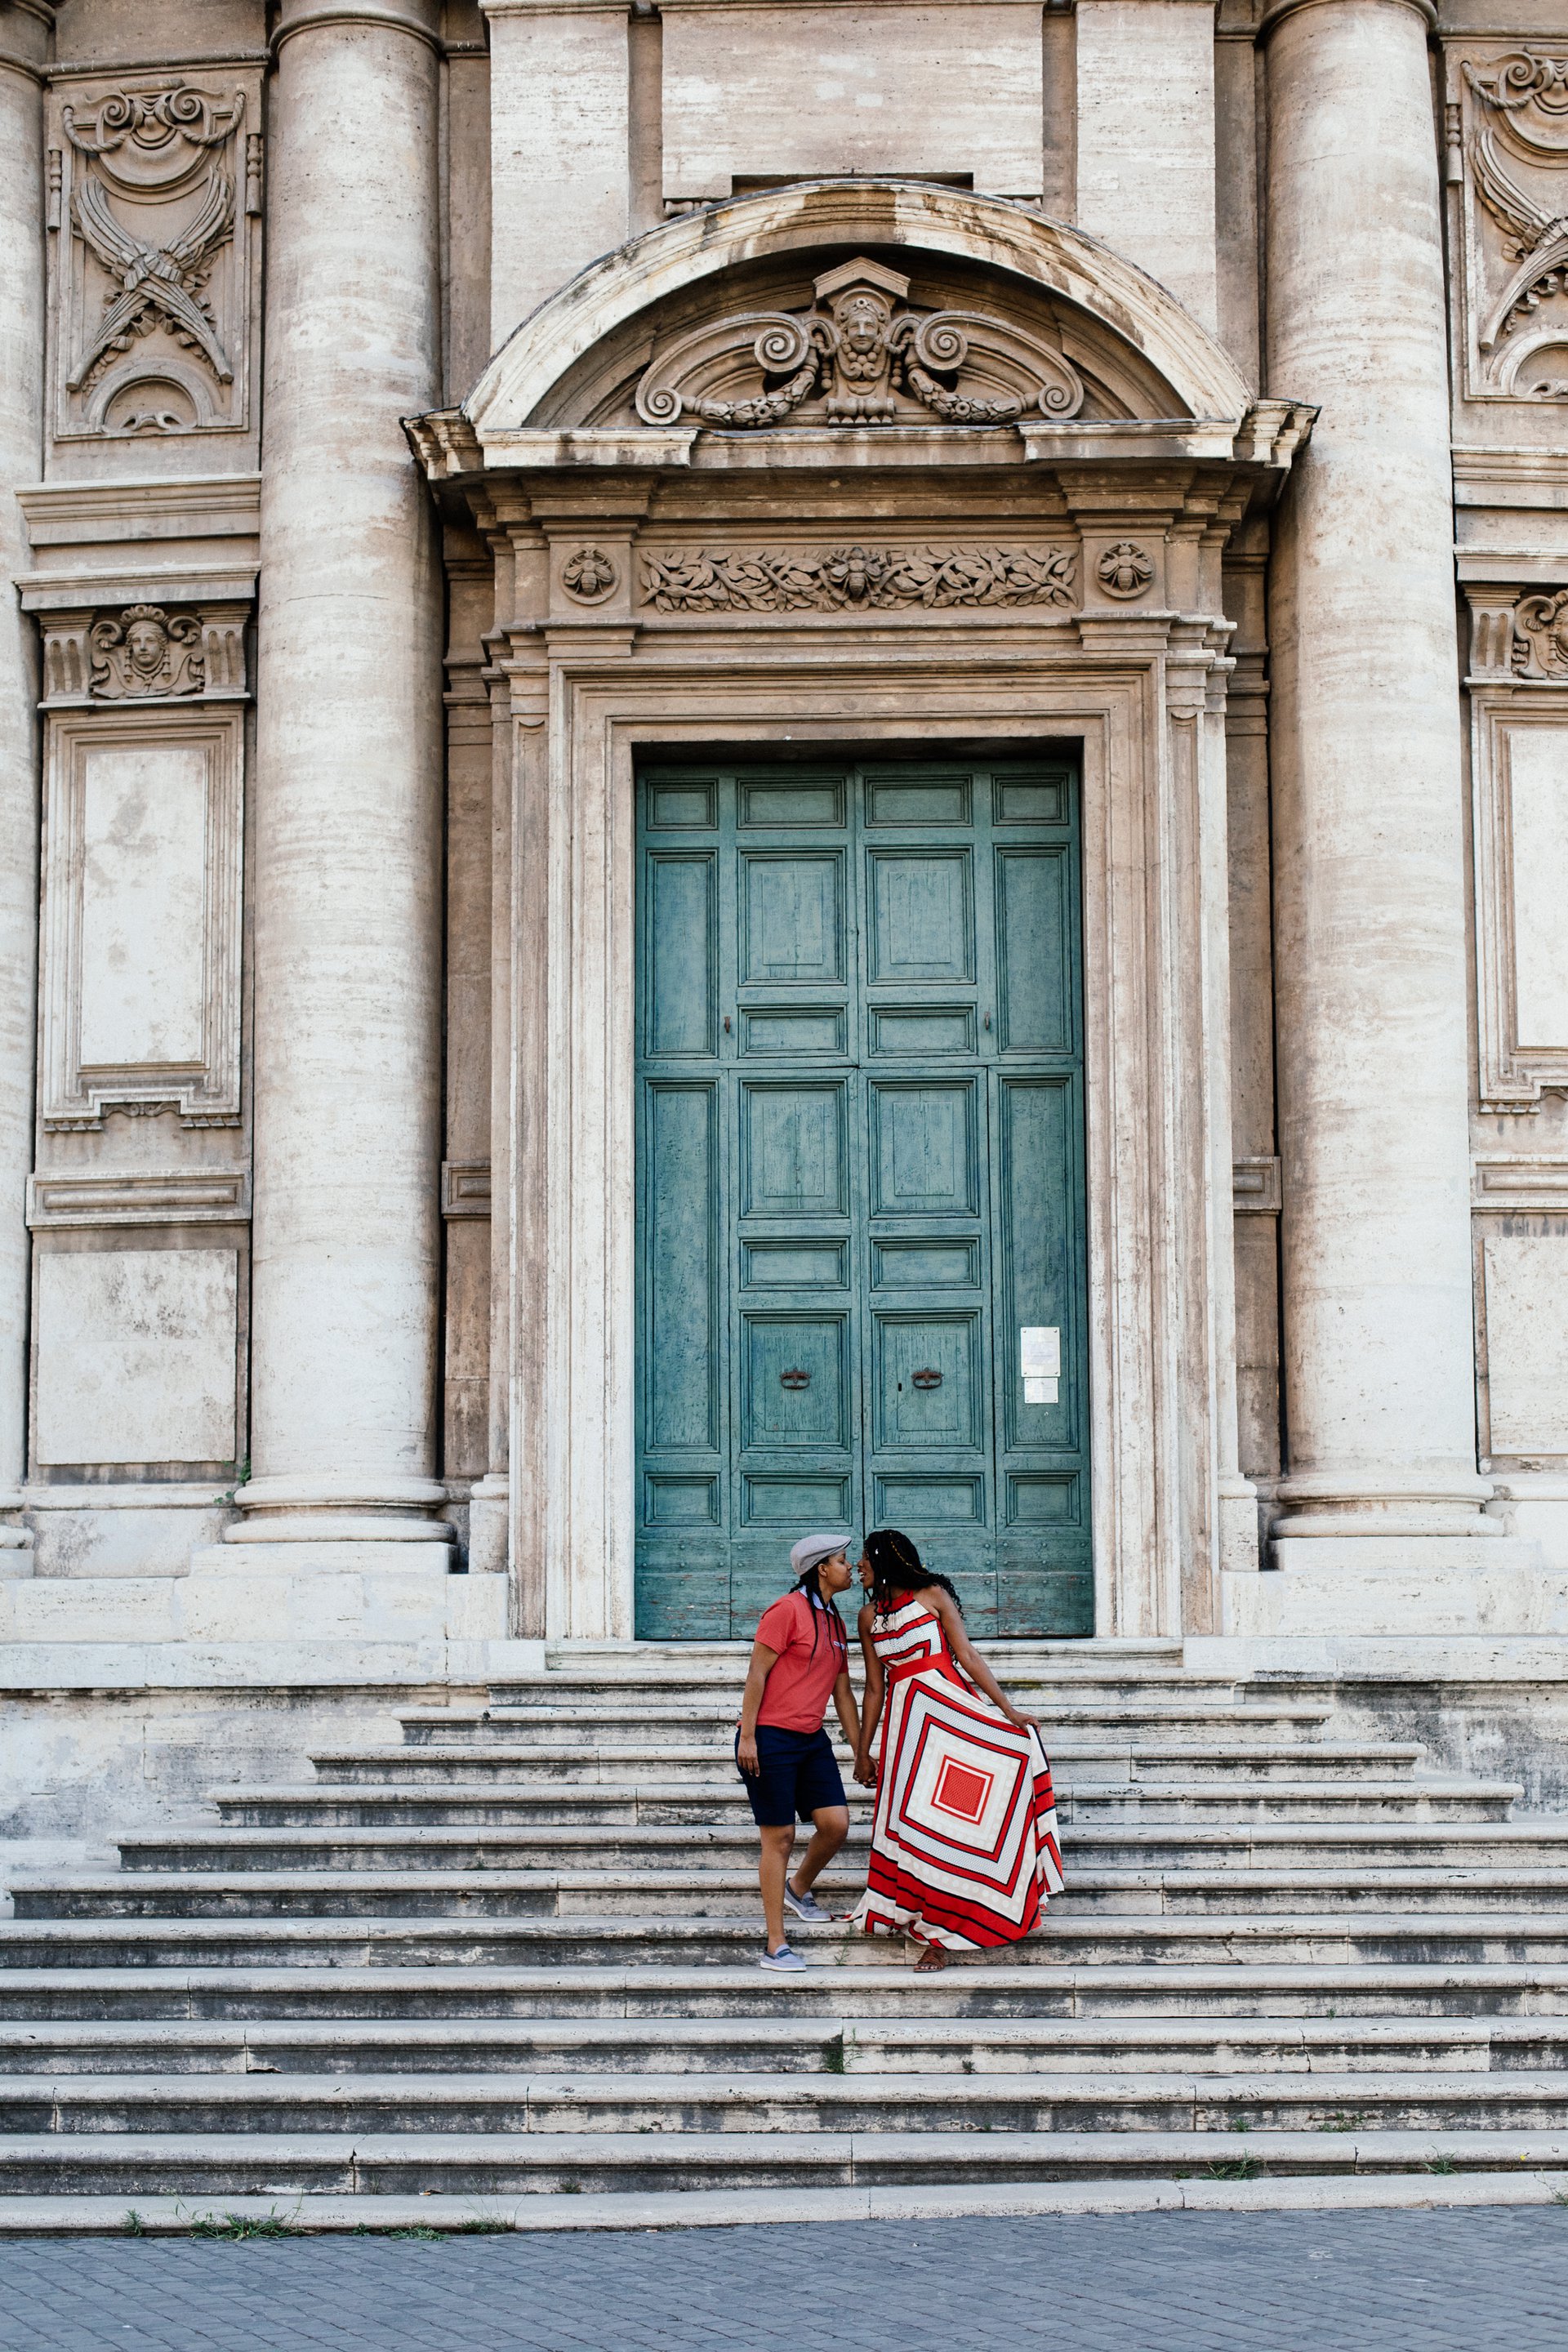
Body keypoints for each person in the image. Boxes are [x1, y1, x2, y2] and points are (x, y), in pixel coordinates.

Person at [849, 1527, 1064, 1971]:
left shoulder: (931, 1595)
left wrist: (1008, 1710)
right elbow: (874, 1688)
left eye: (863, 1560)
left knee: (963, 1816)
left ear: (881, 1559)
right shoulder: (867, 1616)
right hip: (907, 1731)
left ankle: (970, 1915)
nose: (857, 1568)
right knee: (921, 1831)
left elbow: (965, 1655)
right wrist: (863, 1752)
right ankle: (931, 1929)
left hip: (952, 1720)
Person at [736, 1531, 862, 1972]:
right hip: (769, 1737)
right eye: (845, 1561)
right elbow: (757, 1673)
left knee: (836, 1824)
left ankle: (799, 1887)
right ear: (822, 1568)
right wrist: (748, 1736)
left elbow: (843, 1691)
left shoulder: (836, 1623)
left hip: (810, 1739)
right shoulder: (786, 1610)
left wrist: (860, 1748)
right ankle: (775, 1945)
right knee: (780, 1838)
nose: (852, 1568)